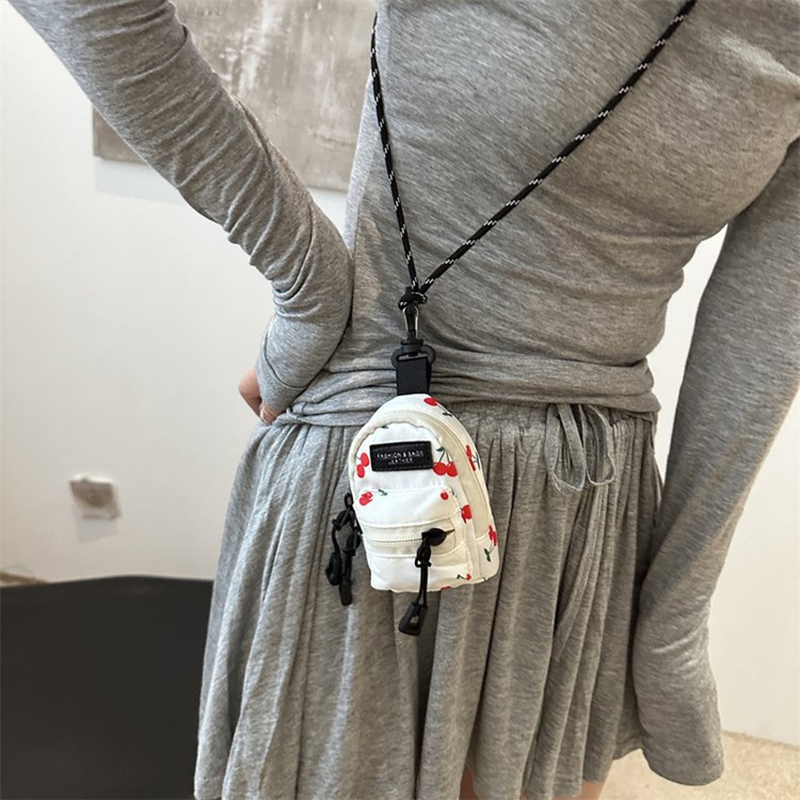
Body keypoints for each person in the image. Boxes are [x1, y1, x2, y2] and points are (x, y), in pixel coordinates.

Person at [6, 0, 798, 798]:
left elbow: (762, 335)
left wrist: (674, 613)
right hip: (375, 471)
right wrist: (308, 281)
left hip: (583, 507)